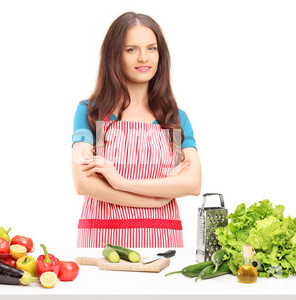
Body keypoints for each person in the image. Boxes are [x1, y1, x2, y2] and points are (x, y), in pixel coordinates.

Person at [71, 12, 201, 248]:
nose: (144, 58)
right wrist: (155, 199)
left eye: (151, 48)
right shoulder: (91, 112)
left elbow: (192, 184)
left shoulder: (175, 118)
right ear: (114, 56)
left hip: (162, 242)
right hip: (102, 242)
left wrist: (121, 182)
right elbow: (83, 183)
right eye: (131, 49)